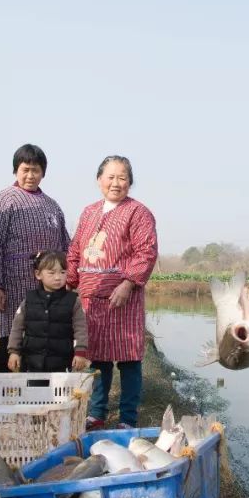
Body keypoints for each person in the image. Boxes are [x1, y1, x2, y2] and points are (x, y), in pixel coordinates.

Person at [67, 156, 158, 430]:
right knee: (98, 359)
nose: (116, 183)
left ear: (130, 183)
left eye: (122, 177)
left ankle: (128, 418)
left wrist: (129, 282)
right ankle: (97, 413)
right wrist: (69, 281)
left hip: (123, 299)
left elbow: (146, 252)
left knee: (128, 359)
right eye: (110, 177)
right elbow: (75, 250)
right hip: (90, 300)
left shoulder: (139, 213)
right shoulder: (88, 212)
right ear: (99, 180)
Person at [0, 144, 70, 372]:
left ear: (43, 173)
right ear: (16, 170)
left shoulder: (52, 206)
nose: (30, 175)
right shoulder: (4, 200)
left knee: (41, 342)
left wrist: (67, 279)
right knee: (11, 340)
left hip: (47, 288)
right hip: (14, 286)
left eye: (36, 170)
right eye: (25, 169)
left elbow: (65, 246)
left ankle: (35, 398)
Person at [6, 251, 90, 373]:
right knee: (33, 391)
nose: (58, 277)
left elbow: (81, 328)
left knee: (62, 391)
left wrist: (80, 352)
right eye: (51, 273)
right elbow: (17, 328)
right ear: (38, 274)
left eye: (62, 272)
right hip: (31, 363)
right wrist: (14, 352)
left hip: (62, 362)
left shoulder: (73, 301)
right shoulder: (29, 300)